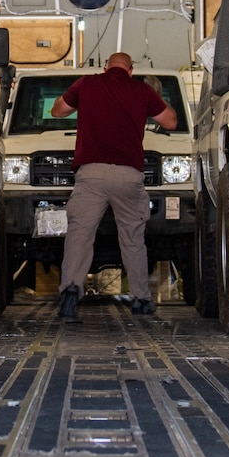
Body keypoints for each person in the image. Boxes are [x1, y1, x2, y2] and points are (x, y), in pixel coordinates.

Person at [50, 52, 179, 319]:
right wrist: (152, 100)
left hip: (91, 175)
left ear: (105, 67)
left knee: (80, 236)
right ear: (130, 70)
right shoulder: (141, 90)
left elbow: (58, 110)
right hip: (128, 176)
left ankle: (70, 292)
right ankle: (141, 300)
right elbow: (170, 121)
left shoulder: (86, 84)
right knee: (132, 239)